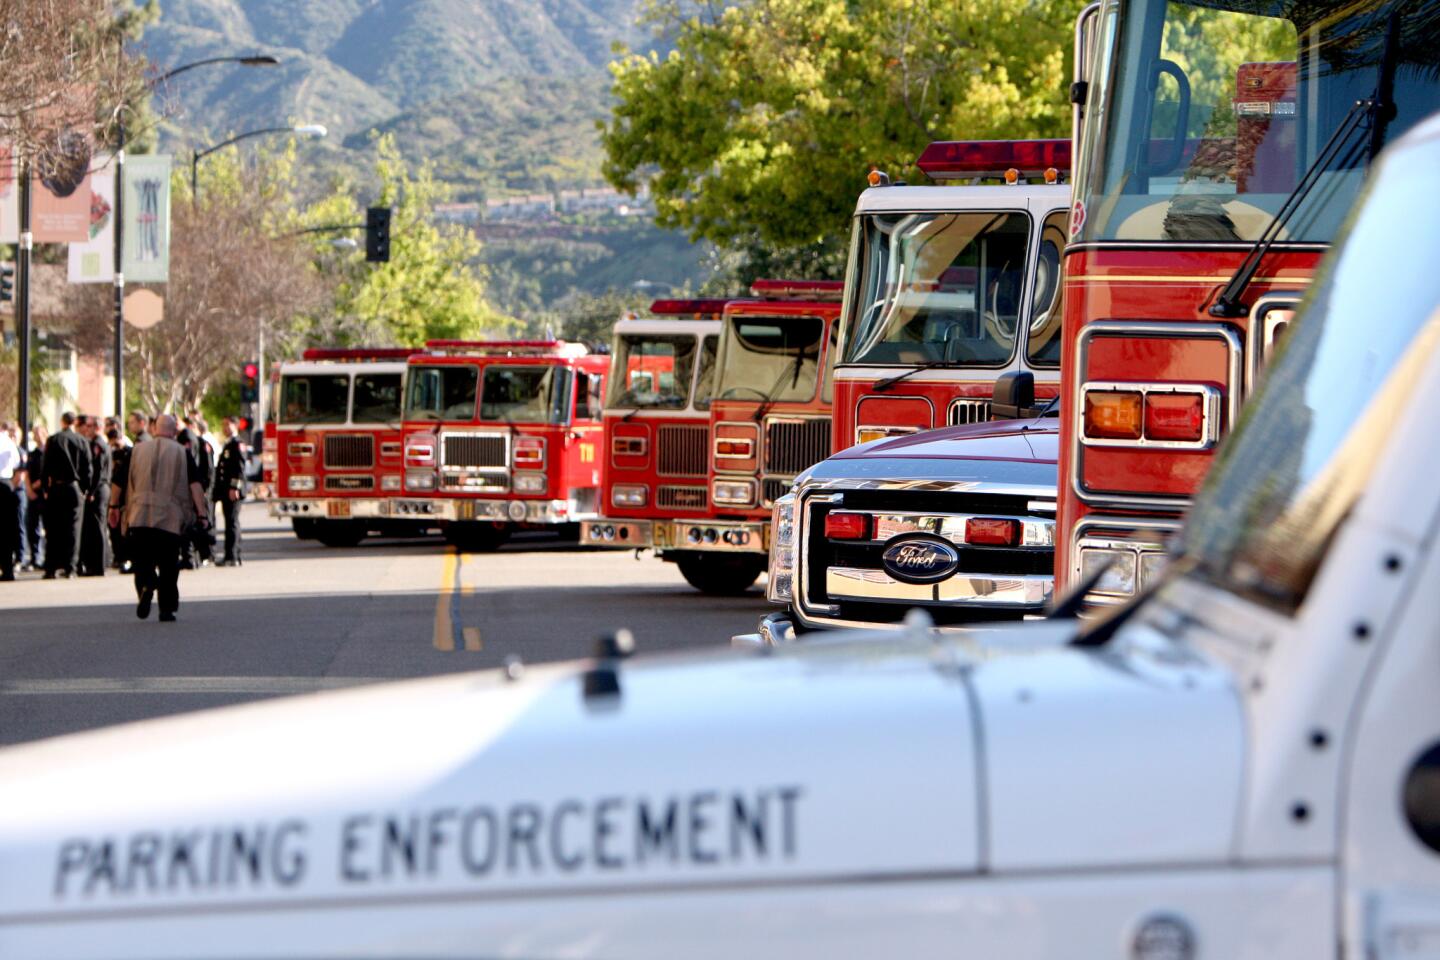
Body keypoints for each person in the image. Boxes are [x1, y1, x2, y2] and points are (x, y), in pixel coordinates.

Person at [110, 414, 209, 622]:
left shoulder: (135, 451)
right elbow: (195, 486)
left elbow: (118, 481)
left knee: (142, 559)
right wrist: (202, 514)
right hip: (170, 517)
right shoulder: (182, 453)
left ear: (155, 430)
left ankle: (147, 584)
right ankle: (167, 608)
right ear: (174, 432)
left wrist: (113, 507)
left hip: (139, 514)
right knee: (169, 563)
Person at [41, 412, 90, 579]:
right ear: (74, 422)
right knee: (73, 529)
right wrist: (85, 489)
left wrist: (45, 489)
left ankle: (51, 567)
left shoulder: (53, 440)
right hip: (74, 488)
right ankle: (71, 567)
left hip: (56, 487)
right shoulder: (81, 440)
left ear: (62, 422)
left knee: (54, 529)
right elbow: (87, 468)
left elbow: (45, 466)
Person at [77, 416, 112, 577]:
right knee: (95, 526)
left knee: (97, 527)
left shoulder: (97, 444)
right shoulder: (97, 443)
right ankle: (95, 563)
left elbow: (98, 471)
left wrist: (91, 491)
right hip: (100, 488)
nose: (87, 429)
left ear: (97, 428)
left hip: (99, 489)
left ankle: (98, 565)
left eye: (90, 426)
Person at [176, 426, 214, 568]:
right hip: (197, 488)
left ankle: (192, 557)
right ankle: (198, 555)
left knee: (190, 524)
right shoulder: (197, 441)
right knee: (195, 523)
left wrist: (205, 489)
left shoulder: (189, 440)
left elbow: (207, 469)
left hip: (193, 489)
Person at [213, 417, 247, 566]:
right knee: (229, 522)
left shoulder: (237, 444)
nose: (224, 427)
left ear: (235, 426)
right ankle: (230, 554)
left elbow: (239, 469)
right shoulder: (228, 444)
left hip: (233, 490)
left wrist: (235, 487)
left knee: (232, 522)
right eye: (223, 424)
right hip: (226, 489)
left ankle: (233, 555)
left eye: (227, 424)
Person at [107, 427, 133, 573]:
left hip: (125, 497)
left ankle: (125, 557)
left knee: (124, 529)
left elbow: (121, 478)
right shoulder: (110, 453)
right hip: (115, 495)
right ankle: (118, 556)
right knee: (114, 529)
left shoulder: (129, 453)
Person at [0, 421, 21, 581]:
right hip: (6, 484)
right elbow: (16, 463)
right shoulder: (8, 442)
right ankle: (8, 569)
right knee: (7, 529)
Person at [24, 424, 45, 572]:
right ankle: (35, 557)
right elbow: (26, 472)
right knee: (33, 527)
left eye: (38, 433)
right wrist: (29, 489)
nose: (36, 436)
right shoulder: (32, 454)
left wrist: (38, 485)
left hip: (45, 494)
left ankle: (47, 558)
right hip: (33, 495)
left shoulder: (49, 453)